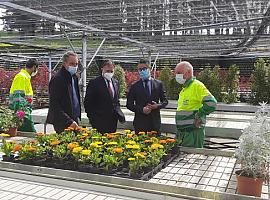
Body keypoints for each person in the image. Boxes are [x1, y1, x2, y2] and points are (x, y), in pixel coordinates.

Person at [174, 61, 217, 148]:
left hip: (193, 133)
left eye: (179, 73)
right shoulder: (185, 89)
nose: (177, 76)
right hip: (183, 133)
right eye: (176, 73)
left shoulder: (197, 86)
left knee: (192, 158)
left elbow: (211, 103)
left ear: (189, 72)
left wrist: (199, 114)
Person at [84, 58, 125, 134]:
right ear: (102, 69)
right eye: (107, 71)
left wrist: (119, 113)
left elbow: (116, 101)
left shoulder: (115, 83)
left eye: (111, 71)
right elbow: (88, 102)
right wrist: (92, 118)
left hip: (113, 121)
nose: (109, 73)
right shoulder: (94, 83)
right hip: (98, 121)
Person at [126, 59, 168, 134]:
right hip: (140, 123)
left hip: (154, 123)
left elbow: (165, 101)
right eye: (140, 69)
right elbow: (129, 105)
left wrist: (157, 106)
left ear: (149, 69)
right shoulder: (134, 86)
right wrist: (142, 109)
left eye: (144, 68)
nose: (142, 71)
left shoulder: (158, 84)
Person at [46, 51, 81, 133]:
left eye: (76, 64)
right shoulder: (58, 79)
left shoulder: (74, 77)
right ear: (64, 63)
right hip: (62, 121)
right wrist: (69, 121)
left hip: (74, 118)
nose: (75, 66)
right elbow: (55, 104)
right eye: (72, 64)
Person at [9, 58, 39, 132]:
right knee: (33, 136)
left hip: (24, 113)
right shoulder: (21, 77)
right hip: (23, 114)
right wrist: (21, 115)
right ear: (34, 67)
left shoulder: (25, 77)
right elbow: (18, 98)